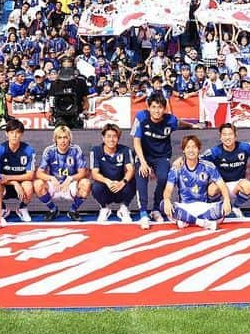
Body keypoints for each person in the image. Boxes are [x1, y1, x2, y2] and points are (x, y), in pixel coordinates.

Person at [132, 92, 199, 229]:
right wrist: (143, 162)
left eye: (160, 107)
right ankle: (143, 212)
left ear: (164, 108)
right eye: (154, 107)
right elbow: (136, 141)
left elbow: (180, 123)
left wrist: (192, 126)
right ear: (148, 107)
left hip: (161, 156)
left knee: (164, 178)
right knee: (141, 175)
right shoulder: (141, 117)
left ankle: (156, 209)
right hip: (144, 155)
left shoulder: (170, 120)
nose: (157, 110)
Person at [163, 135, 230, 231]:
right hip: (185, 207)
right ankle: (202, 222)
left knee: (226, 206)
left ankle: (186, 220)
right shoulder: (177, 168)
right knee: (163, 204)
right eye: (188, 147)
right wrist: (166, 200)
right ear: (183, 150)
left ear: (199, 149)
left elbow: (222, 185)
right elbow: (168, 189)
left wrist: (227, 200)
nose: (191, 150)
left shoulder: (208, 166)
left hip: (204, 207)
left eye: (194, 147)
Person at [203, 123, 250, 218]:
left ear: (235, 136)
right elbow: (197, 158)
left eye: (230, 134)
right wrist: (181, 159)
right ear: (220, 137)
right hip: (221, 184)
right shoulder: (215, 151)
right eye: (224, 134)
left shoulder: (244, 147)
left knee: (247, 186)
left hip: (238, 184)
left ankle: (236, 207)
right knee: (211, 190)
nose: (227, 137)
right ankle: (219, 208)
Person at [35, 125, 91, 221]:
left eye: (65, 137)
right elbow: (39, 173)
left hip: (70, 185)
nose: (62, 141)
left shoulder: (76, 150)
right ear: (55, 139)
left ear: (69, 139)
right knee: (38, 184)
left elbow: (83, 173)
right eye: (59, 138)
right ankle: (53, 210)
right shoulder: (50, 151)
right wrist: (51, 178)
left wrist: (70, 179)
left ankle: (73, 211)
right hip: (55, 184)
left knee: (86, 183)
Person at [89, 123, 136, 223]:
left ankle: (124, 208)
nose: (111, 139)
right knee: (95, 186)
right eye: (108, 136)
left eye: (114, 136)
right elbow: (94, 173)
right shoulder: (96, 150)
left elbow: (130, 169)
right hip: (106, 187)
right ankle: (104, 208)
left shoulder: (125, 150)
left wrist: (122, 182)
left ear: (118, 138)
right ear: (103, 137)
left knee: (133, 179)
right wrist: (107, 181)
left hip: (121, 186)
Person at [0, 118, 37, 223]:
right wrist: (14, 182)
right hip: (5, 183)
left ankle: (22, 208)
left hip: (21, 183)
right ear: (6, 134)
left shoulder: (29, 150)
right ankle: (3, 208)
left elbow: (30, 175)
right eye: (11, 132)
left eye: (17, 132)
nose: (14, 135)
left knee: (29, 186)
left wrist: (14, 180)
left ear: (22, 134)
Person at [49, 58, 89, 128]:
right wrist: (51, 114)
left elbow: (85, 99)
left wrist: (85, 111)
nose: (67, 71)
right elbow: (51, 101)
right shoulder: (55, 84)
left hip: (76, 115)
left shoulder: (80, 82)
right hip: (60, 116)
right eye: (65, 68)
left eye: (69, 68)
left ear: (73, 68)